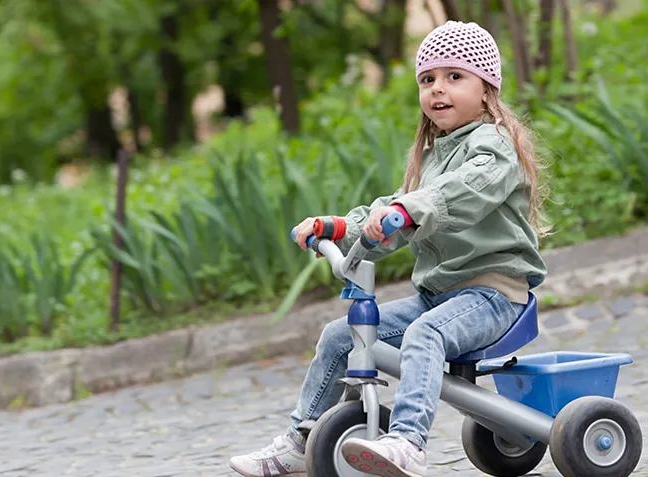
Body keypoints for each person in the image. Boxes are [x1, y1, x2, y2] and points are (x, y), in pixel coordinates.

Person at [229, 20, 549, 477]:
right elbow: (392, 220)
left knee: (426, 334)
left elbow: (464, 192)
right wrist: (341, 228)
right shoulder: (432, 156)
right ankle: (305, 438)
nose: (438, 88)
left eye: (454, 76)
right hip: (439, 296)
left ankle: (408, 442)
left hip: (493, 295)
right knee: (341, 336)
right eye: (428, 79)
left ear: (486, 90)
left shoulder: (495, 147)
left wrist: (412, 208)